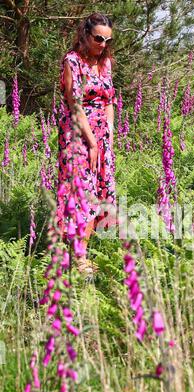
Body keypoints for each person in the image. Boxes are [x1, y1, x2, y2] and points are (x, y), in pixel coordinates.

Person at [56, 13, 117, 273]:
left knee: (98, 194)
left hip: (101, 136)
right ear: (86, 35)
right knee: (82, 195)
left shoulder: (105, 63)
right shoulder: (72, 61)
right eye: (98, 38)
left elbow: (110, 101)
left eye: (108, 40)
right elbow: (75, 104)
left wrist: (109, 134)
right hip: (78, 137)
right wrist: (92, 143)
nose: (103, 44)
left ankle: (79, 253)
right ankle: (76, 259)